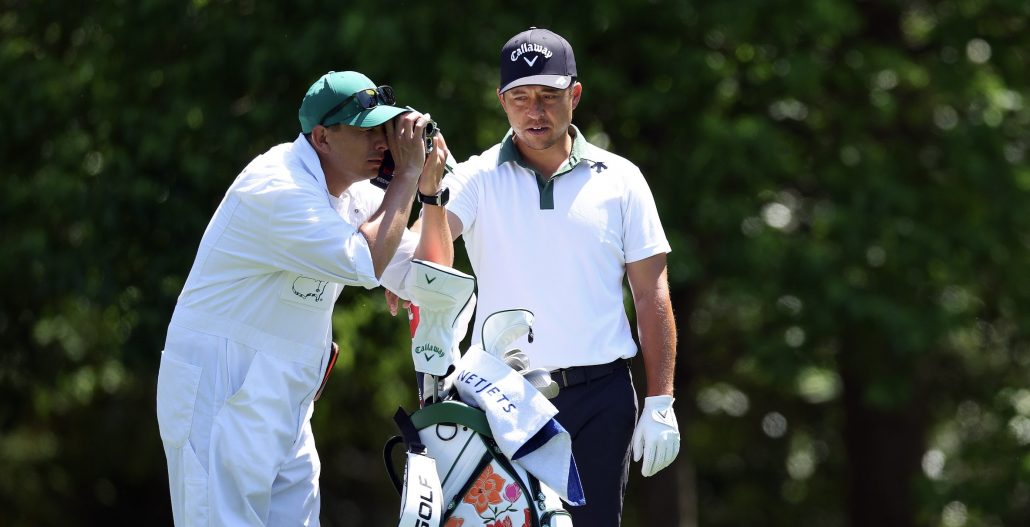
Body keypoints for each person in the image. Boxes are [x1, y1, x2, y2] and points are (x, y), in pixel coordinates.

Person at [389, 28, 681, 526]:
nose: (535, 111)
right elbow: (431, 263)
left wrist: (660, 399)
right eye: (520, 98)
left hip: (601, 398)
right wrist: (433, 196)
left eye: (548, 96)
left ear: (575, 95)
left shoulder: (622, 178)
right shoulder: (477, 177)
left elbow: (651, 292)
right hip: (504, 400)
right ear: (503, 101)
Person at [155, 70, 453, 526]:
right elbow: (367, 261)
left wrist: (429, 194)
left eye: (385, 129)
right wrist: (407, 175)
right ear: (322, 138)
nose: (382, 142)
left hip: (283, 401)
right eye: (366, 129)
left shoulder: (352, 193)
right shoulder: (279, 188)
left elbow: (432, 281)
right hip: (219, 394)